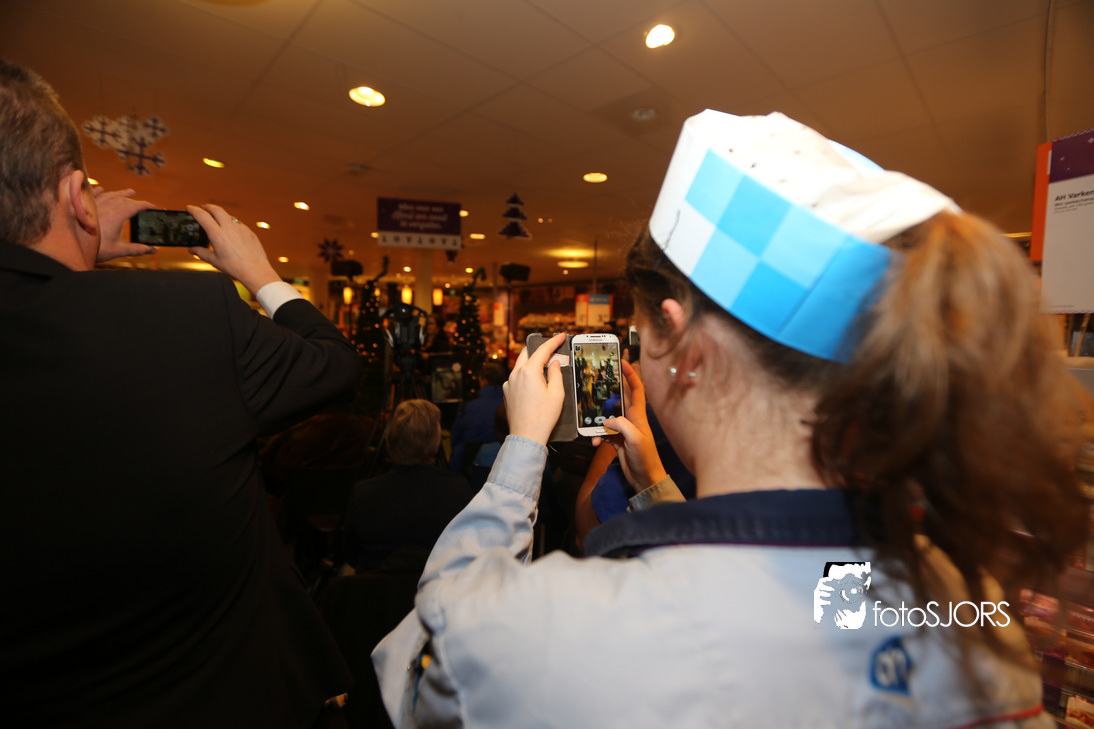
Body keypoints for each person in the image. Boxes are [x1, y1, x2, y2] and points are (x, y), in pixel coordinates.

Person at [372, 110, 1090, 727]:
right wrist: (653, 482)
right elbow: (800, 602)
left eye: (643, 333)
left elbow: (419, 670)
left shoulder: (558, 631)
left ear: (685, 345)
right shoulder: (970, 610)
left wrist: (523, 448)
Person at [0, 60, 362, 728]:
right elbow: (334, 366)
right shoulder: (189, 312)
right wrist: (259, 273)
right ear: (78, 195)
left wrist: (76, 257)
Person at [344, 400, 477, 573]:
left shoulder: (363, 493)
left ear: (390, 440)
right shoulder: (458, 488)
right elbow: (466, 551)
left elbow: (350, 555)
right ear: (436, 443)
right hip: (437, 585)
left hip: (377, 586)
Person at [447, 360, 507, 473]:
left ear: (484, 381)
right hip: (502, 466)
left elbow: (456, 438)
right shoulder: (509, 406)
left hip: (469, 467)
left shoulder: (467, 407)